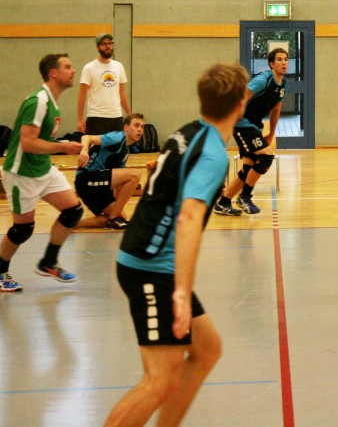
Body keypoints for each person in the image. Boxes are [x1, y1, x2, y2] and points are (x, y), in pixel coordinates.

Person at [107, 63, 249, 426]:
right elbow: (187, 218)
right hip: (151, 267)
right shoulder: (214, 155)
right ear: (240, 104)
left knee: (206, 349)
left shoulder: (190, 131)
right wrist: (182, 293)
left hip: (146, 257)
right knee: (161, 381)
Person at [0, 54, 85, 292]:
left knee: (73, 211)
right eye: (67, 67)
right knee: (23, 229)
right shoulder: (38, 102)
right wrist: (64, 147)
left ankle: (48, 262)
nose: (73, 71)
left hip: (43, 168)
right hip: (22, 173)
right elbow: (28, 143)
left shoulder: (52, 101)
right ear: (53, 73)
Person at [214, 47, 288, 216]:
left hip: (254, 126)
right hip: (242, 123)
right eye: (279, 59)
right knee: (266, 157)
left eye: (285, 59)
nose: (283, 62)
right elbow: (240, 99)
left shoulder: (283, 86)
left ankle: (223, 203)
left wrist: (271, 133)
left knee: (249, 169)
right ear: (271, 64)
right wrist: (227, 125)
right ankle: (244, 197)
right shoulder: (263, 80)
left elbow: (275, 110)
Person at [74, 113, 146, 230]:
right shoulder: (117, 137)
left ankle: (74, 223)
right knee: (135, 175)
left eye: (142, 127)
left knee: (122, 215)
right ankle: (113, 220)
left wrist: (118, 209)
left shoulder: (125, 151)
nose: (140, 130)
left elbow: (119, 183)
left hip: (98, 186)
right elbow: (86, 137)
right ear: (126, 128)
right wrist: (84, 150)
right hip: (87, 179)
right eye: (136, 125)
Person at [77, 33, 131, 135]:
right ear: (98, 47)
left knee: (117, 150)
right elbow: (82, 95)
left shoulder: (119, 66)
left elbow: (122, 93)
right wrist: (80, 119)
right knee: (96, 150)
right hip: (96, 117)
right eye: (104, 44)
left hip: (116, 117)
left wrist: (129, 115)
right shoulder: (89, 68)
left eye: (110, 43)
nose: (108, 46)